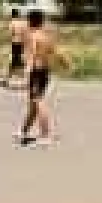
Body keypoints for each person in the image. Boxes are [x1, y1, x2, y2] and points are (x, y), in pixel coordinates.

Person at [17, 9, 68, 147]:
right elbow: (57, 52)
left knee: (38, 102)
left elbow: (32, 55)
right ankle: (24, 131)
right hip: (45, 71)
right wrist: (65, 63)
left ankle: (46, 134)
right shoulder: (46, 36)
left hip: (36, 71)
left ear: (30, 21)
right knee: (34, 103)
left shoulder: (33, 37)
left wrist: (27, 73)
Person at [2, 8, 28, 87]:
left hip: (15, 43)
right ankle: (27, 79)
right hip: (22, 43)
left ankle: (6, 79)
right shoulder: (23, 23)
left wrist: (8, 41)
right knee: (22, 61)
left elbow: (10, 33)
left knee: (13, 61)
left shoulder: (12, 23)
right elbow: (26, 33)